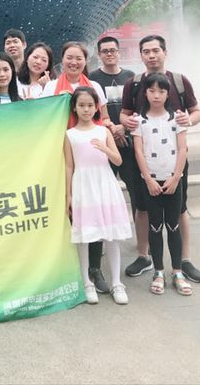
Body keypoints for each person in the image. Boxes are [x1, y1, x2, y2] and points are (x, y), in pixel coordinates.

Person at [120, 34, 200, 283]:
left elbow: (196, 112)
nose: (151, 55)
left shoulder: (179, 81)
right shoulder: (134, 83)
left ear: (165, 52)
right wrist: (128, 122)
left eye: (156, 50)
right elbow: (124, 114)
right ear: (141, 55)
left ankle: (184, 260)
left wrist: (189, 120)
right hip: (144, 161)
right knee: (142, 207)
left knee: (180, 209)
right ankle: (144, 256)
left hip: (174, 161)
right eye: (146, 51)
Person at [64, 86, 131, 306]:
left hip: (105, 184)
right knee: (85, 236)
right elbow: (69, 166)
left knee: (111, 235)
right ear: (74, 108)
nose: (86, 109)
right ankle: (87, 283)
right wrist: (68, 194)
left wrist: (105, 148)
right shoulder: (70, 135)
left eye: (90, 105)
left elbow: (118, 160)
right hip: (83, 185)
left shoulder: (103, 131)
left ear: (96, 108)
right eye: (81, 105)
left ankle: (116, 283)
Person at [132, 73, 191, 296]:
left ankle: (177, 271)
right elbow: (138, 151)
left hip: (173, 180)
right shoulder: (139, 121)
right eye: (152, 91)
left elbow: (183, 148)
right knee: (155, 226)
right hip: (151, 182)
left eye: (161, 91)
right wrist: (148, 179)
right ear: (145, 93)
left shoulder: (177, 119)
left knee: (173, 225)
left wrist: (176, 177)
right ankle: (158, 271)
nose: (156, 95)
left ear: (168, 94)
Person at [87, 36, 135, 294]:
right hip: (103, 145)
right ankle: (98, 245)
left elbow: (137, 108)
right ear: (99, 54)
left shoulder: (130, 77)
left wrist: (122, 128)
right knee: (100, 197)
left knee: (136, 195)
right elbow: (93, 110)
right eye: (104, 51)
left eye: (113, 50)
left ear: (119, 52)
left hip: (128, 145)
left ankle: (143, 249)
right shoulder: (93, 79)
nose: (109, 54)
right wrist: (110, 130)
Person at [42, 42, 109, 125]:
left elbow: (105, 118)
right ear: (62, 60)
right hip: (61, 133)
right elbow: (44, 117)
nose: (73, 62)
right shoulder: (51, 86)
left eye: (79, 59)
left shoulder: (95, 87)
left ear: (85, 61)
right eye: (69, 58)